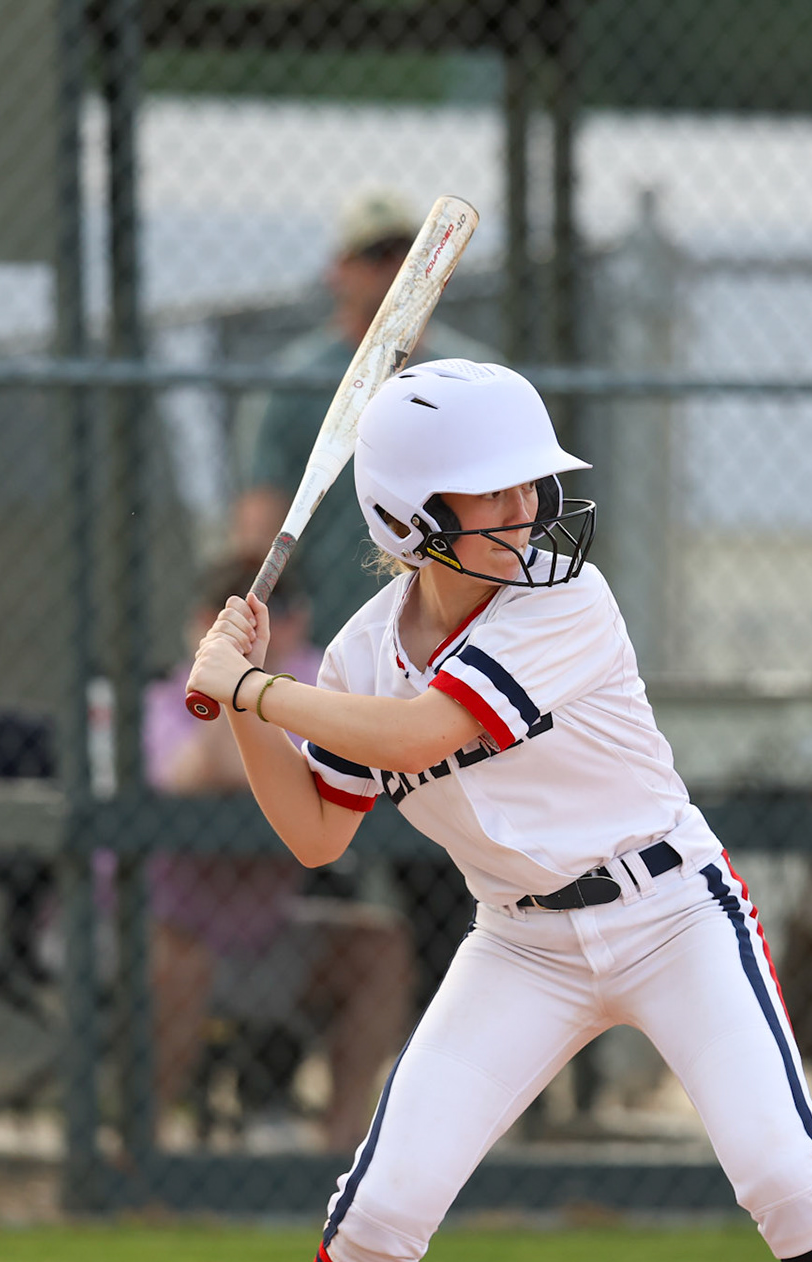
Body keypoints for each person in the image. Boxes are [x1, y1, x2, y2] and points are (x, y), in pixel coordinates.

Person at [188, 361, 812, 1262]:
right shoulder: (362, 653)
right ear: (412, 517)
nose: (526, 503)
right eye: (493, 489)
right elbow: (319, 833)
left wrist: (256, 688)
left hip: (671, 916)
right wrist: (244, 706)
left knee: (787, 1179)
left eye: (529, 480)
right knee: (377, 1214)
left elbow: (424, 733)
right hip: (521, 943)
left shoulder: (567, 601)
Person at [231, 187, 496, 1011]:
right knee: (321, 875)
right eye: (373, 257)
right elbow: (257, 521)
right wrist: (247, 623)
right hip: (334, 661)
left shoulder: (458, 376)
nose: (389, 272)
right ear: (337, 271)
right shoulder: (302, 379)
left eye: (399, 256)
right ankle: (278, 1079)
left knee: (443, 891)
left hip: (436, 651)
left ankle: (454, 1052)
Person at [140, 556, 413, 1152]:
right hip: (168, 925)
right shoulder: (165, 698)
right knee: (178, 962)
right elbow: (194, 776)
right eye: (223, 611)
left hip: (267, 932)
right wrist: (226, 671)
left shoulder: (320, 675)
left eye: (284, 610)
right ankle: (143, 1144)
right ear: (197, 622)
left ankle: (343, 1146)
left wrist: (261, 679)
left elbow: (347, 755)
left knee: (378, 946)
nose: (271, 623)